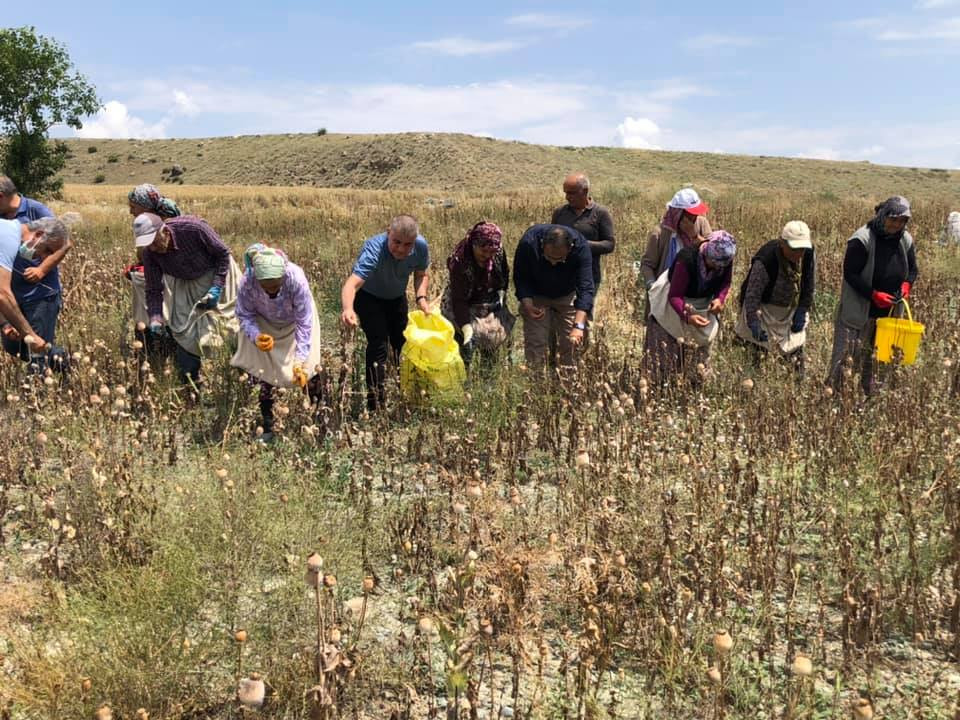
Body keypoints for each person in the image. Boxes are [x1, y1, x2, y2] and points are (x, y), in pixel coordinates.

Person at [134, 212, 241, 386]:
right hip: (185, 282)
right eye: (148, 245)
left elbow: (223, 254)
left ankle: (239, 377)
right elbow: (153, 289)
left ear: (165, 232)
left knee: (230, 327)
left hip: (217, 275)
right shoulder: (150, 254)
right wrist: (155, 317)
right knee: (184, 330)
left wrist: (216, 286)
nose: (153, 248)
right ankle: (191, 383)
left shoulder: (193, 229)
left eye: (154, 242)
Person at [231, 244, 323, 442]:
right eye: (267, 287)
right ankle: (268, 424)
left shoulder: (296, 278)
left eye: (276, 286)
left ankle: (319, 421)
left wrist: (299, 361)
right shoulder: (247, 281)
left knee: (310, 371)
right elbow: (243, 314)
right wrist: (255, 336)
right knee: (263, 374)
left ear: (283, 277)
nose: (272, 291)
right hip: (264, 324)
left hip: (295, 323)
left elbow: (304, 323)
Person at [826, 196, 918, 396]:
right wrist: (873, 295)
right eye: (893, 219)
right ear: (883, 216)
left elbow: (913, 270)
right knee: (846, 359)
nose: (897, 225)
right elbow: (850, 273)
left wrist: (906, 285)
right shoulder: (862, 239)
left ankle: (867, 403)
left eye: (902, 221)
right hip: (858, 311)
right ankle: (833, 403)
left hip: (888, 317)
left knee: (877, 362)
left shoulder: (905, 240)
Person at [340, 215, 430, 410]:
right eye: (396, 242)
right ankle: (375, 404)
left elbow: (421, 274)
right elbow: (352, 283)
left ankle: (406, 394)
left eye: (408, 245)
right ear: (388, 233)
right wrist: (348, 308)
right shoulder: (373, 249)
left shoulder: (421, 247)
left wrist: (421, 297)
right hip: (369, 298)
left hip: (396, 298)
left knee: (402, 345)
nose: (401, 249)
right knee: (379, 345)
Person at [644, 230, 736, 385]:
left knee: (698, 354)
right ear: (706, 253)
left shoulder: (724, 259)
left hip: (701, 304)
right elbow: (674, 296)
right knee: (666, 352)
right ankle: (661, 387)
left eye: (720, 265)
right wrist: (688, 317)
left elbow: (726, 283)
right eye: (713, 263)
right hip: (673, 300)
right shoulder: (686, 260)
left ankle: (693, 385)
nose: (716, 267)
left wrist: (719, 300)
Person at [0, 176, 72, 371]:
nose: (43, 256)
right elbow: (2, 294)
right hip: (12, 294)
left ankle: (47, 372)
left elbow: (63, 242)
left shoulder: (34, 211)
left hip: (36, 295)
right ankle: (58, 359)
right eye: (46, 251)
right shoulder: (7, 236)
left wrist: (42, 269)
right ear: (38, 235)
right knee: (21, 347)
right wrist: (26, 332)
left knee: (36, 357)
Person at [735, 221, 815, 375]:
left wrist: (803, 307)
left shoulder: (808, 254)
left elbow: (808, 283)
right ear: (782, 243)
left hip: (789, 312)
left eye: (802, 249)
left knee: (796, 361)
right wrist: (753, 322)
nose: (798, 254)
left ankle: (796, 386)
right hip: (764, 311)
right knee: (757, 359)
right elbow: (752, 294)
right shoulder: (766, 259)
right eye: (794, 249)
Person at [513, 224, 594, 371]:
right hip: (537, 296)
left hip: (567, 295)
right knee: (535, 343)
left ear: (570, 249)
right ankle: (536, 387)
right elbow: (521, 277)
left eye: (560, 259)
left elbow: (586, 288)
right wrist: (527, 303)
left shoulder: (581, 247)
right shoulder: (528, 243)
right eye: (549, 257)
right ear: (542, 245)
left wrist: (578, 326)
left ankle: (570, 384)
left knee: (572, 343)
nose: (553, 263)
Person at [441, 221, 514, 366]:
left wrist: (501, 294)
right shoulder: (460, 262)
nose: (487, 255)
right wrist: (466, 327)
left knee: (492, 340)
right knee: (465, 342)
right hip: (463, 301)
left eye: (491, 252)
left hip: (488, 298)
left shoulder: (498, 252)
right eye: (483, 250)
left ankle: (487, 373)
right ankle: (463, 373)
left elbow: (504, 275)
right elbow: (459, 300)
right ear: (474, 244)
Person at [125, 184, 180, 360]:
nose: (131, 212)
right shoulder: (149, 221)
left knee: (161, 314)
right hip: (153, 278)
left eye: (133, 207)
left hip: (167, 280)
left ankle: (157, 354)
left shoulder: (164, 221)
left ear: (146, 206)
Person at [640, 188, 712, 318]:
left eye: (695, 214)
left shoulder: (701, 225)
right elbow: (647, 265)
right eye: (690, 215)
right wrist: (653, 286)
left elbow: (711, 254)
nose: (694, 218)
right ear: (678, 214)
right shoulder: (660, 234)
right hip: (664, 295)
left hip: (693, 296)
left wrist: (694, 236)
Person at [551, 173, 615, 295]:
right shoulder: (559, 213)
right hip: (561, 277)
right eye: (566, 193)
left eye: (571, 193)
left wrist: (582, 244)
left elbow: (609, 245)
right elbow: (551, 241)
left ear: (585, 191)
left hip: (588, 277)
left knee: (585, 311)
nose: (567, 197)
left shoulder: (600, 213)